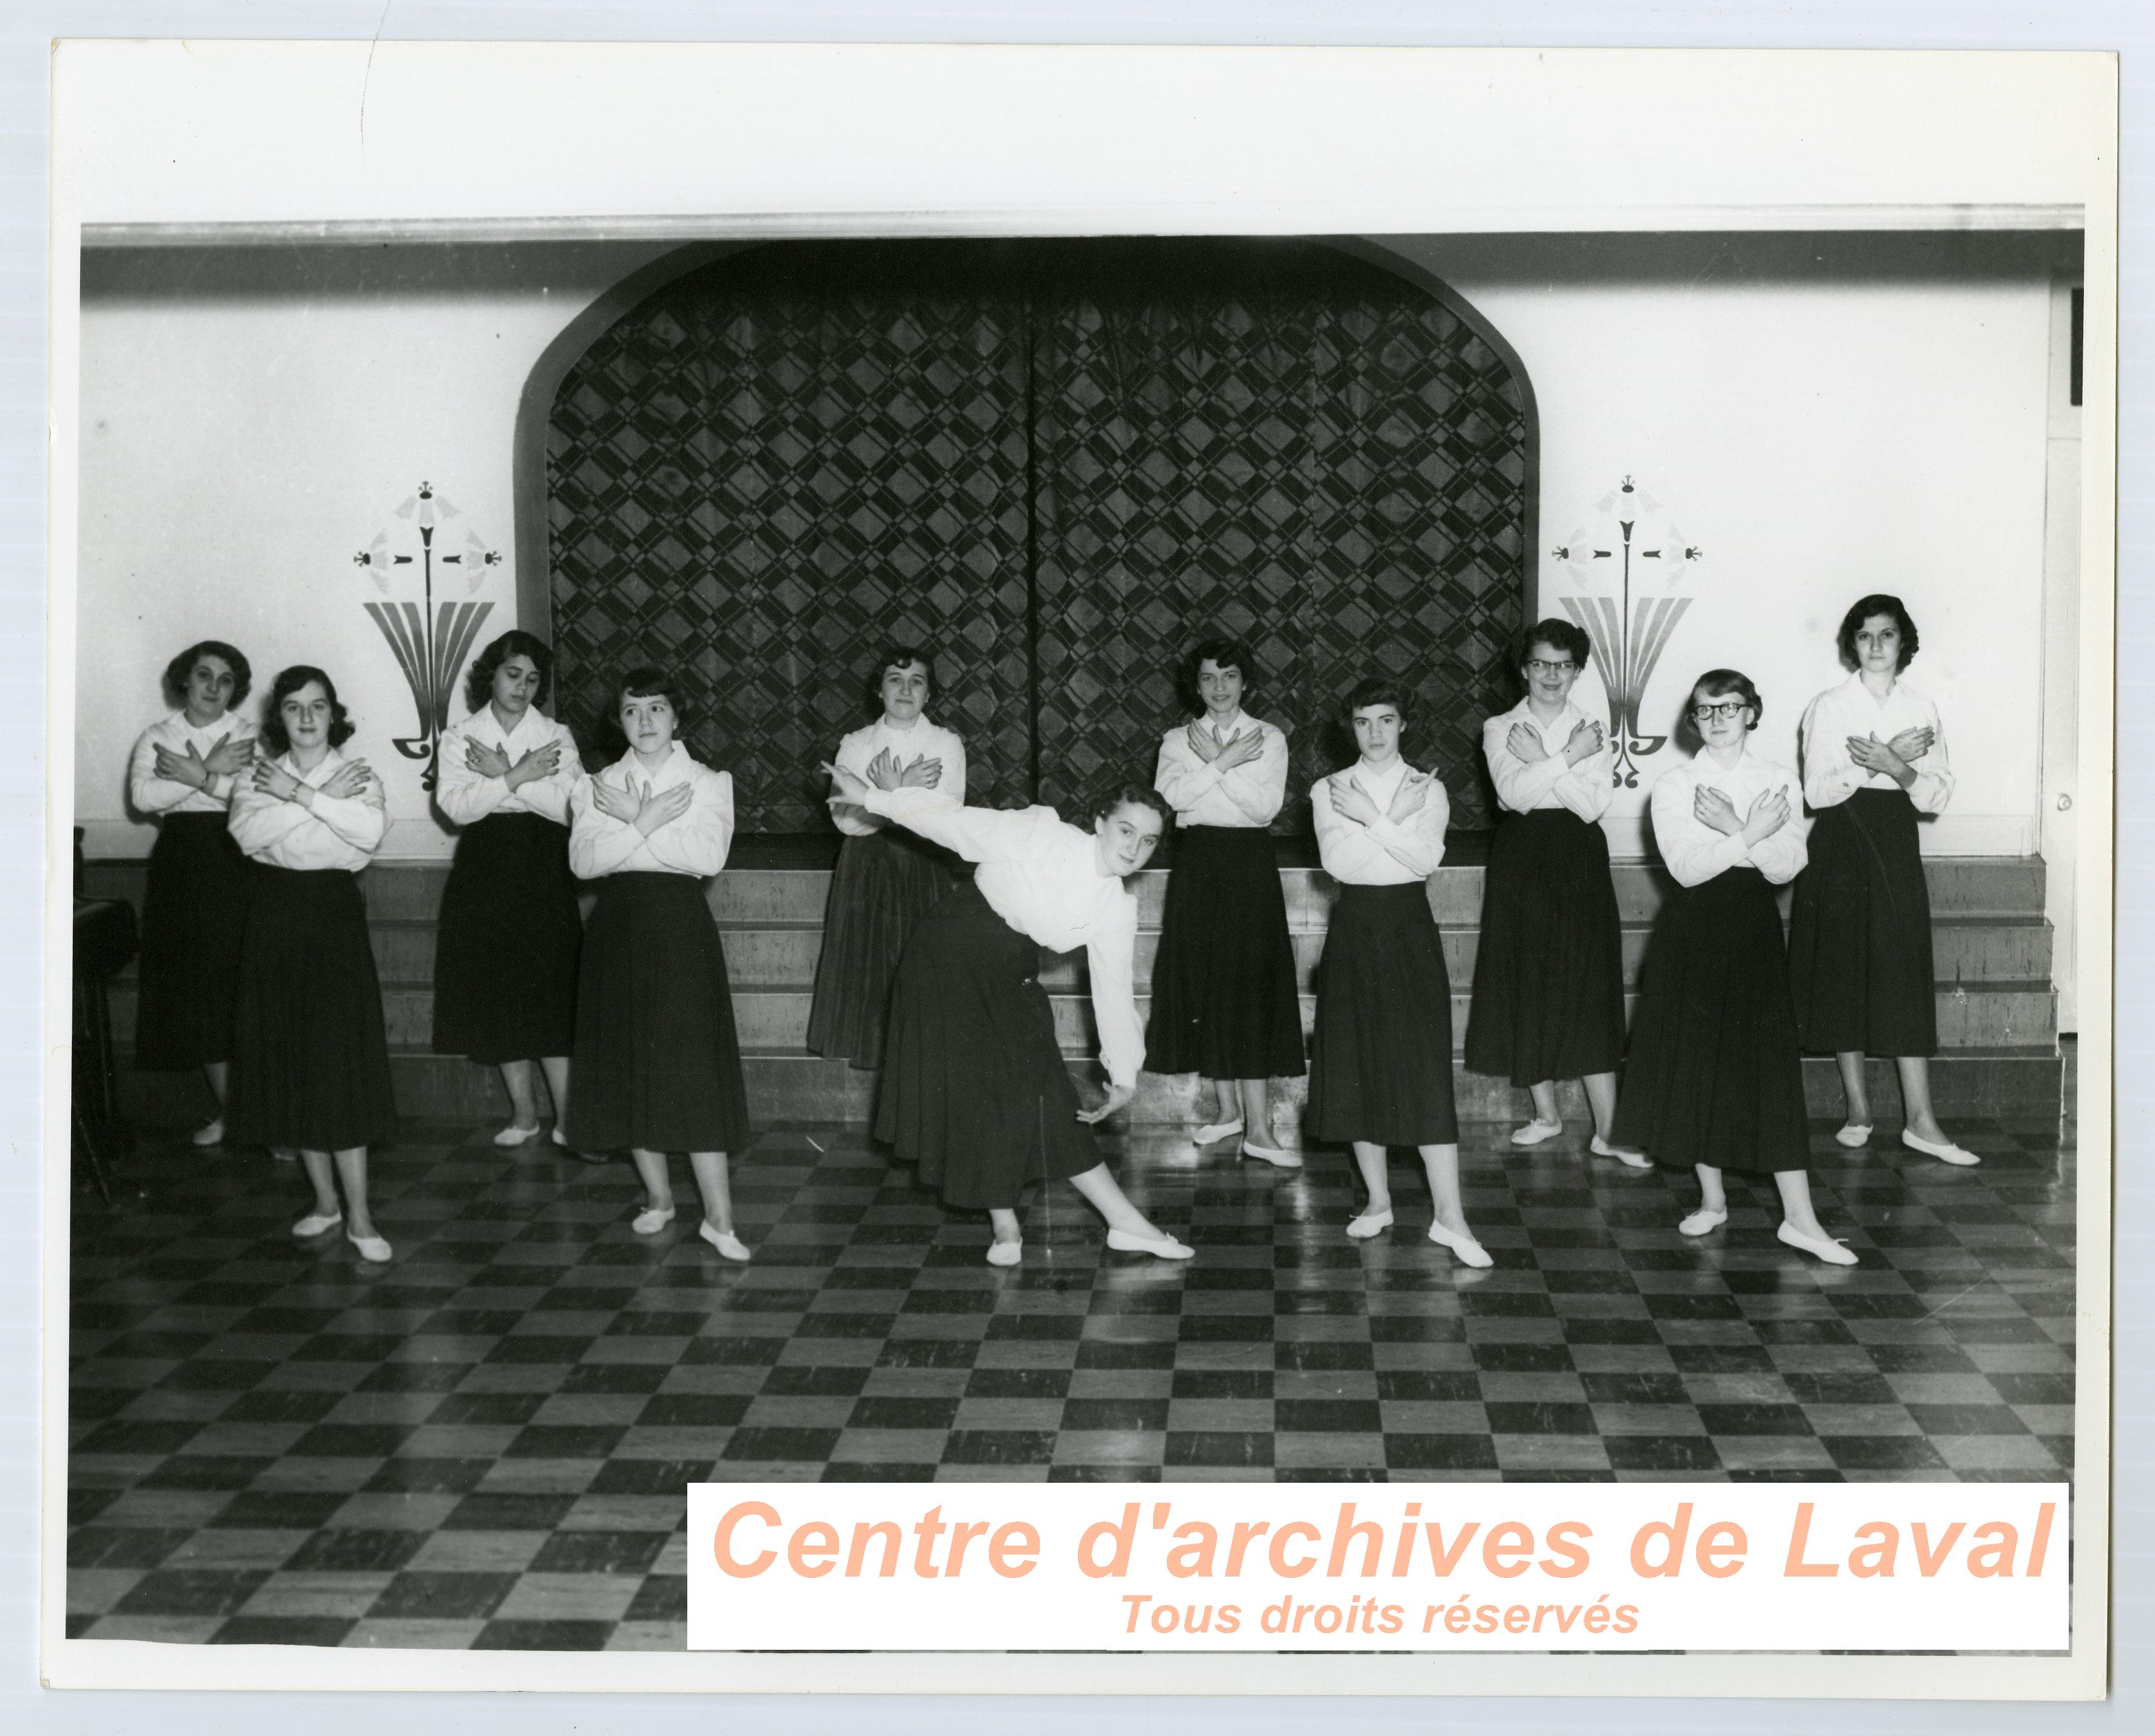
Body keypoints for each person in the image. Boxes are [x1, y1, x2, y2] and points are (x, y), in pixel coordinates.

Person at [820, 760, 1193, 1268]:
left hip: (1006, 972)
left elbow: (1113, 990)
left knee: (1032, 1090)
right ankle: (1029, 1224)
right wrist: (875, 800)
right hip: (946, 957)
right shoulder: (1040, 832)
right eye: (1126, 829)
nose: (1133, 846)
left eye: (1148, 841)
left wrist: (1123, 1074)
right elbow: (954, 823)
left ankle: (1101, 1224)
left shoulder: (1116, 907)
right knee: (994, 1088)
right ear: (1100, 822)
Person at [1613, 670, 1856, 1265]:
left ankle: (1799, 1219)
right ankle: (1712, 1198)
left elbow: (1785, 867)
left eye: (1730, 708)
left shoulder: (1777, 779)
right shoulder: (1673, 784)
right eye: (1705, 710)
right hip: (1690, 933)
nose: (1717, 719)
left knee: (1768, 1069)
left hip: (1751, 932)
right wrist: (1746, 831)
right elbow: (1687, 870)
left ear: (1752, 713)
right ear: (1691, 720)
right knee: (1699, 1061)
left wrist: (1731, 832)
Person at [564, 667, 753, 1259]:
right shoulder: (595, 783)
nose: (644, 722)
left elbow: (705, 856)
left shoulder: (708, 781)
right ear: (617, 719)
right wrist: (645, 820)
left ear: (676, 717)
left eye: (656, 709)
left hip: (678, 928)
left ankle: (719, 1219)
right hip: (617, 930)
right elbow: (585, 865)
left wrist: (628, 825)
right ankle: (658, 1199)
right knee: (627, 1062)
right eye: (631, 710)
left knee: (691, 1067)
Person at [1305, 680, 1488, 1266]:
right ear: (1349, 728)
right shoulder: (1326, 789)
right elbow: (1340, 864)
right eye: (1363, 722)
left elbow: (1426, 861)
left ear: (1403, 725)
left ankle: (1449, 1216)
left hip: (1409, 931)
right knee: (1358, 1062)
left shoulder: (1427, 788)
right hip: (1355, 929)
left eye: (1386, 720)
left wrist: (1373, 819)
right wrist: (1390, 822)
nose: (1376, 733)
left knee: (1423, 1066)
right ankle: (1378, 1201)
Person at [1787, 594, 1974, 1166]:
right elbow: (1816, 791)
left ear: (1903, 643)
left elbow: (1937, 794)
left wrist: (1898, 766)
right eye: (1864, 635)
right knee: (1845, 965)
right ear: (1851, 643)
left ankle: (1920, 1120)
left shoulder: (1922, 706)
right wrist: (1878, 761)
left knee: (1899, 968)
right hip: (1841, 840)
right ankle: (1858, 1109)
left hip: (1893, 841)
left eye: (1886, 635)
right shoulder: (1827, 705)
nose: (1874, 645)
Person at [225, 666, 397, 1262]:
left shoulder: (358, 774)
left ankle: (361, 1216)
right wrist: (325, 808)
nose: (305, 717)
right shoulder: (254, 774)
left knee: (339, 1065)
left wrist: (297, 797)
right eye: (294, 707)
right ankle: (325, 1204)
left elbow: (368, 835)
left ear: (333, 714)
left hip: (332, 923)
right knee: (295, 1061)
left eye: (317, 706)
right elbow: (249, 836)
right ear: (280, 717)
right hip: (274, 920)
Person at [1464, 619, 1645, 1167]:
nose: (1550, 675)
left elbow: (1591, 808)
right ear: (1523, 669)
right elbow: (1513, 796)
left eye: (1562, 666)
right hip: (1521, 857)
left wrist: (1544, 758)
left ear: (1577, 671)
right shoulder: (1500, 727)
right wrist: (1567, 757)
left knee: (1587, 982)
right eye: (1540, 664)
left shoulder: (1592, 727)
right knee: (1528, 974)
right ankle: (1545, 1114)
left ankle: (1609, 1130)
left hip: (1577, 857)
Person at [1147, 635, 1306, 1167]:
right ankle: (1227, 1114)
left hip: (1247, 865)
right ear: (1196, 686)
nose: (1219, 688)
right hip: (1197, 864)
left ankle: (1261, 1129)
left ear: (1247, 682)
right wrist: (1222, 764)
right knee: (1208, 982)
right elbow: (1171, 799)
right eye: (1209, 678)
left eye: (1229, 677)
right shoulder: (1174, 739)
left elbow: (1263, 808)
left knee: (1247, 986)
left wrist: (1216, 766)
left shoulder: (1270, 737)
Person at [432, 630, 587, 1153]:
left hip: (543, 869)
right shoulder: (458, 737)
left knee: (550, 992)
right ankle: (524, 1116)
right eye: (512, 674)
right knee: (498, 990)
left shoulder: (558, 735)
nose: (522, 686)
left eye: (532, 678)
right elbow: (457, 807)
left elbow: (571, 807)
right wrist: (519, 775)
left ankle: (569, 1120)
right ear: (491, 676)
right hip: (484, 870)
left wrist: (501, 777)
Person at [806, 644, 967, 1071]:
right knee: (871, 973)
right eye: (895, 680)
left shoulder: (946, 744)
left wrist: (880, 798)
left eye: (917, 682)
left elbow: (946, 814)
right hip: (867, 872)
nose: (905, 689)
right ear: (879, 690)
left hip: (925, 866)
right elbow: (846, 822)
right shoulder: (856, 744)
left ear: (929, 694)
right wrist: (903, 793)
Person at [127, 640, 259, 1147]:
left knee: (239, 991)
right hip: (180, 870)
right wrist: (211, 769)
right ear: (186, 679)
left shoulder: (249, 734)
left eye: (225, 680)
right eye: (204, 675)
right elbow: (143, 798)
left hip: (238, 862)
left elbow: (252, 794)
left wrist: (191, 772)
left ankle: (262, 1117)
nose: (213, 688)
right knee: (198, 993)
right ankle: (235, 1115)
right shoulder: (157, 735)